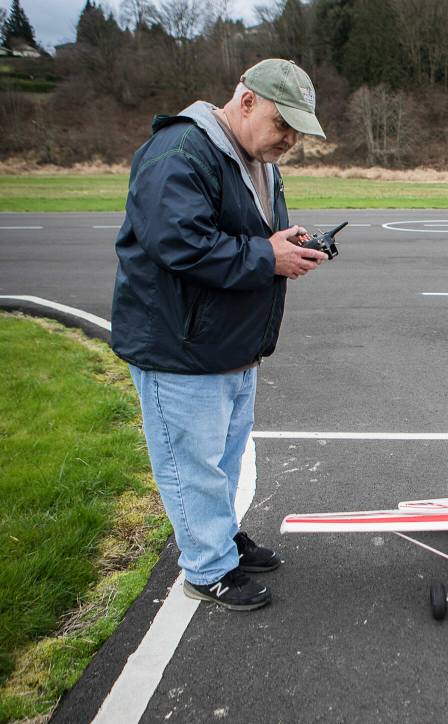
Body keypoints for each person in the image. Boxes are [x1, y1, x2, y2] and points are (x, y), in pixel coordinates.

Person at [111, 59, 329, 611]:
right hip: (180, 346)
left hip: (227, 345)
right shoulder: (179, 152)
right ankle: (207, 567)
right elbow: (180, 246)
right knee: (191, 464)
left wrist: (280, 241)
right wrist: (268, 255)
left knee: (224, 459)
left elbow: (237, 232)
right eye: (284, 125)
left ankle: (222, 538)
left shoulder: (255, 158)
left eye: (298, 133)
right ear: (247, 100)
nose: (289, 142)